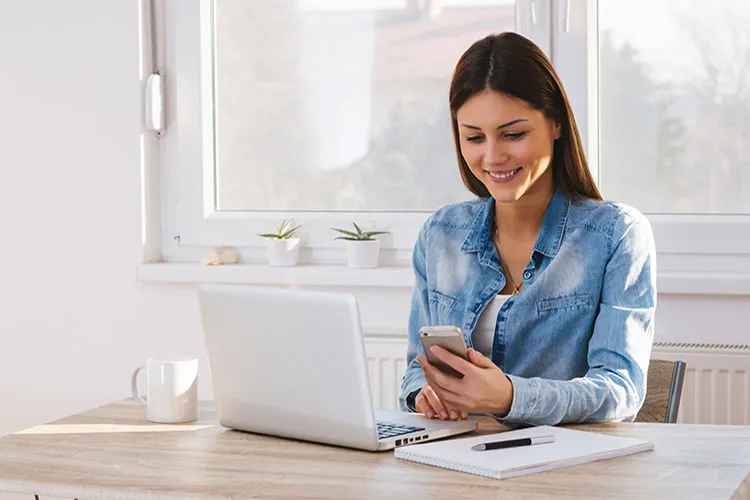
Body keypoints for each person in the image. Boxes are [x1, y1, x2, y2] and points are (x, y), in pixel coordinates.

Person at [399, 32, 656, 426]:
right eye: (473, 137)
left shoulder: (616, 235)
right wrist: (424, 396)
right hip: (455, 462)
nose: (492, 156)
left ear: (555, 123)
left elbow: (620, 390)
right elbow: (416, 371)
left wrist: (509, 396)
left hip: (564, 475)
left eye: (513, 134)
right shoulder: (440, 235)